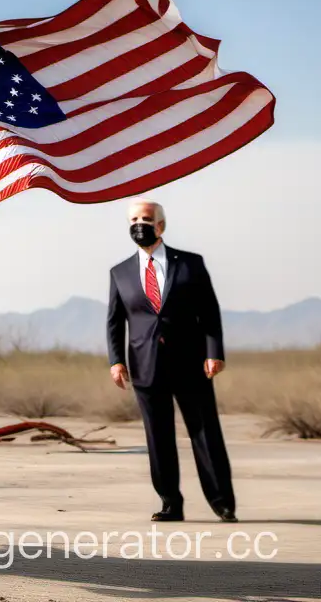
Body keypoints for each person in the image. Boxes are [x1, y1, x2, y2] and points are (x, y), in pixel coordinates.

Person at [106, 199, 236, 523]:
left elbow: (209, 312)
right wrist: (116, 361)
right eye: (133, 218)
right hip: (145, 366)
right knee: (158, 437)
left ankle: (222, 502)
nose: (139, 223)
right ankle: (170, 503)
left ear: (161, 225)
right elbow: (114, 321)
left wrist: (214, 351)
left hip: (191, 363)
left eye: (146, 218)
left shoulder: (191, 263)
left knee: (205, 433)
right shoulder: (119, 272)